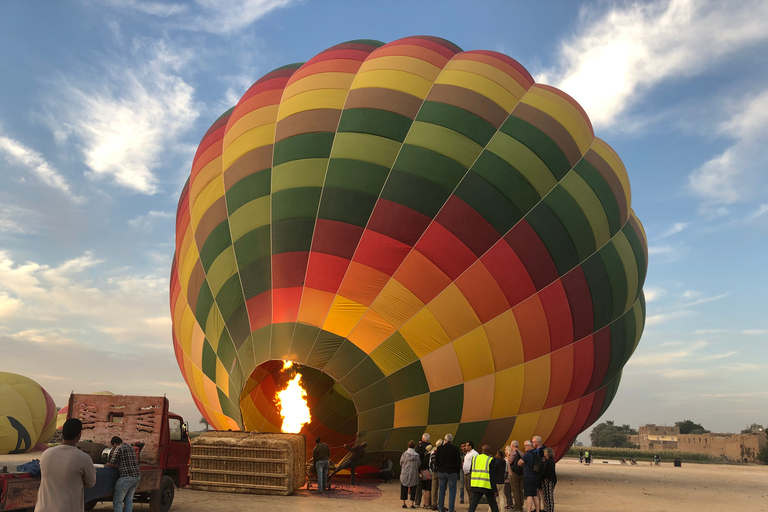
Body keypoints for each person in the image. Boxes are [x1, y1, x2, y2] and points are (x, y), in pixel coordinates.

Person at [35, 418, 96, 512]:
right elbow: (91, 482)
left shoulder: (46, 454)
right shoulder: (83, 458)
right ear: (79, 435)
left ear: (62, 433)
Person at [106, 436, 141, 512]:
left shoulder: (119, 448)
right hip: (136, 477)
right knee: (128, 500)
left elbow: (113, 463)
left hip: (126, 478)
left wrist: (106, 464)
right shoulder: (131, 447)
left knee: (117, 502)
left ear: (115, 444)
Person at [467, 445, 499, 512]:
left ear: (481, 450)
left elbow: (471, 471)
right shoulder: (490, 460)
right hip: (486, 485)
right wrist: (495, 489)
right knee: (493, 504)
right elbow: (492, 476)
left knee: (473, 504)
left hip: (476, 484)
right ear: (489, 452)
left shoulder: (475, 458)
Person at [435, 433, 462, 512]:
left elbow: (436, 461)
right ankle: (451, 509)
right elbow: (458, 462)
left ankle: (440, 508)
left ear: (445, 440)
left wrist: (439, 469)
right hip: (452, 472)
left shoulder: (439, 448)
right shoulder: (455, 449)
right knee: (452, 491)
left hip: (442, 472)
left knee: (442, 490)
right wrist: (457, 472)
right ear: (452, 441)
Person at [518, 440, 540, 512]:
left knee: (529, 495)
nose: (524, 447)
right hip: (535, 476)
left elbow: (520, 463)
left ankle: (528, 510)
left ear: (530, 446)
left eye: (526, 446)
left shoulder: (527, 454)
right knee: (535, 495)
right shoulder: (535, 453)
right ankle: (537, 510)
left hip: (528, 476)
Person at [401, 440, 421, 509]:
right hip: (414, 473)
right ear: (414, 447)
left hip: (405, 473)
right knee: (413, 489)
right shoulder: (417, 455)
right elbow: (419, 464)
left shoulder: (404, 454)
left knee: (404, 487)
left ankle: (404, 503)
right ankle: (412, 504)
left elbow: (401, 462)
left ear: (408, 446)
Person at [508, 441, 524, 511]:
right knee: (520, 490)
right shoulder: (521, 453)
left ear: (513, 445)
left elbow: (510, 461)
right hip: (520, 473)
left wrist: (508, 456)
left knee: (515, 490)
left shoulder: (513, 453)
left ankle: (517, 506)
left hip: (514, 474)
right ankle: (521, 505)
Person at [532, 436, 547, 511]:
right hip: (535, 473)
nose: (533, 443)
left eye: (534, 442)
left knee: (542, 492)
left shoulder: (543, 451)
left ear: (537, 442)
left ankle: (545, 508)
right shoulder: (534, 451)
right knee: (537, 491)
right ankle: (538, 508)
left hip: (541, 474)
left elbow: (545, 463)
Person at [415, 434, 431, 506]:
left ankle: (417, 502)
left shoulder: (419, 446)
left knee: (419, 487)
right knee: (428, 488)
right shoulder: (432, 447)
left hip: (420, 469)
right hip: (428, 470)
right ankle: (428, 503)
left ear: (423, 438)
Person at [541, 447, 557, 512]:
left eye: (545, 452)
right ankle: (548, 508)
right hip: (546, 480)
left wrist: (546, 478)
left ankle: (550, 509)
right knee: (546, 496)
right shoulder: (547, 461)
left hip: (549, 480)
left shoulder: (550, 461)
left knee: (549, 496)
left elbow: (549, 471)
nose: (544, 453)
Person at [430, 440, 443, 510]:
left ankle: (433, 504)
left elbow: (430, 463)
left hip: (434, 472)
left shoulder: (433, 452)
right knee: (442, 488)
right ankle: (441, 503)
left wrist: (431, 470)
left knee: (434, 489)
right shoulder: (442, 452)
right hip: (440, 472)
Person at [421, 443, 433, 508]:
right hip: (428, 472)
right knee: (428, 489)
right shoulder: (430, 456)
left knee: (425, 489)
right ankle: (427, 504)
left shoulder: (424, 456)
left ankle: (425, 503)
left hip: (423, 472)